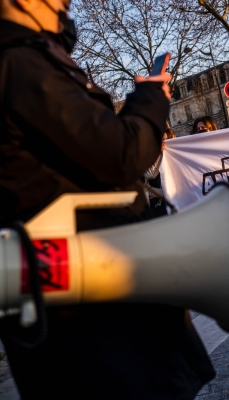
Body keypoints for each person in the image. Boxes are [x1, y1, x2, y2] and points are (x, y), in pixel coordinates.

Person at [0, 1, 215, 399]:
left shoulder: (27, 59)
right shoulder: (21, 64)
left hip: (69, 293)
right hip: (91, 306)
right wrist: (150, 98)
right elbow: (120, 156)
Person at [145, 128, 176, 217]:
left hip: (176, 197)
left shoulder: (177, 154)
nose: (165, 143)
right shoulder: (151, 154)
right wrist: (158, 153)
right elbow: (150, 174)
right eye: (163, 140)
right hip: (159, 202)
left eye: (168, 140)